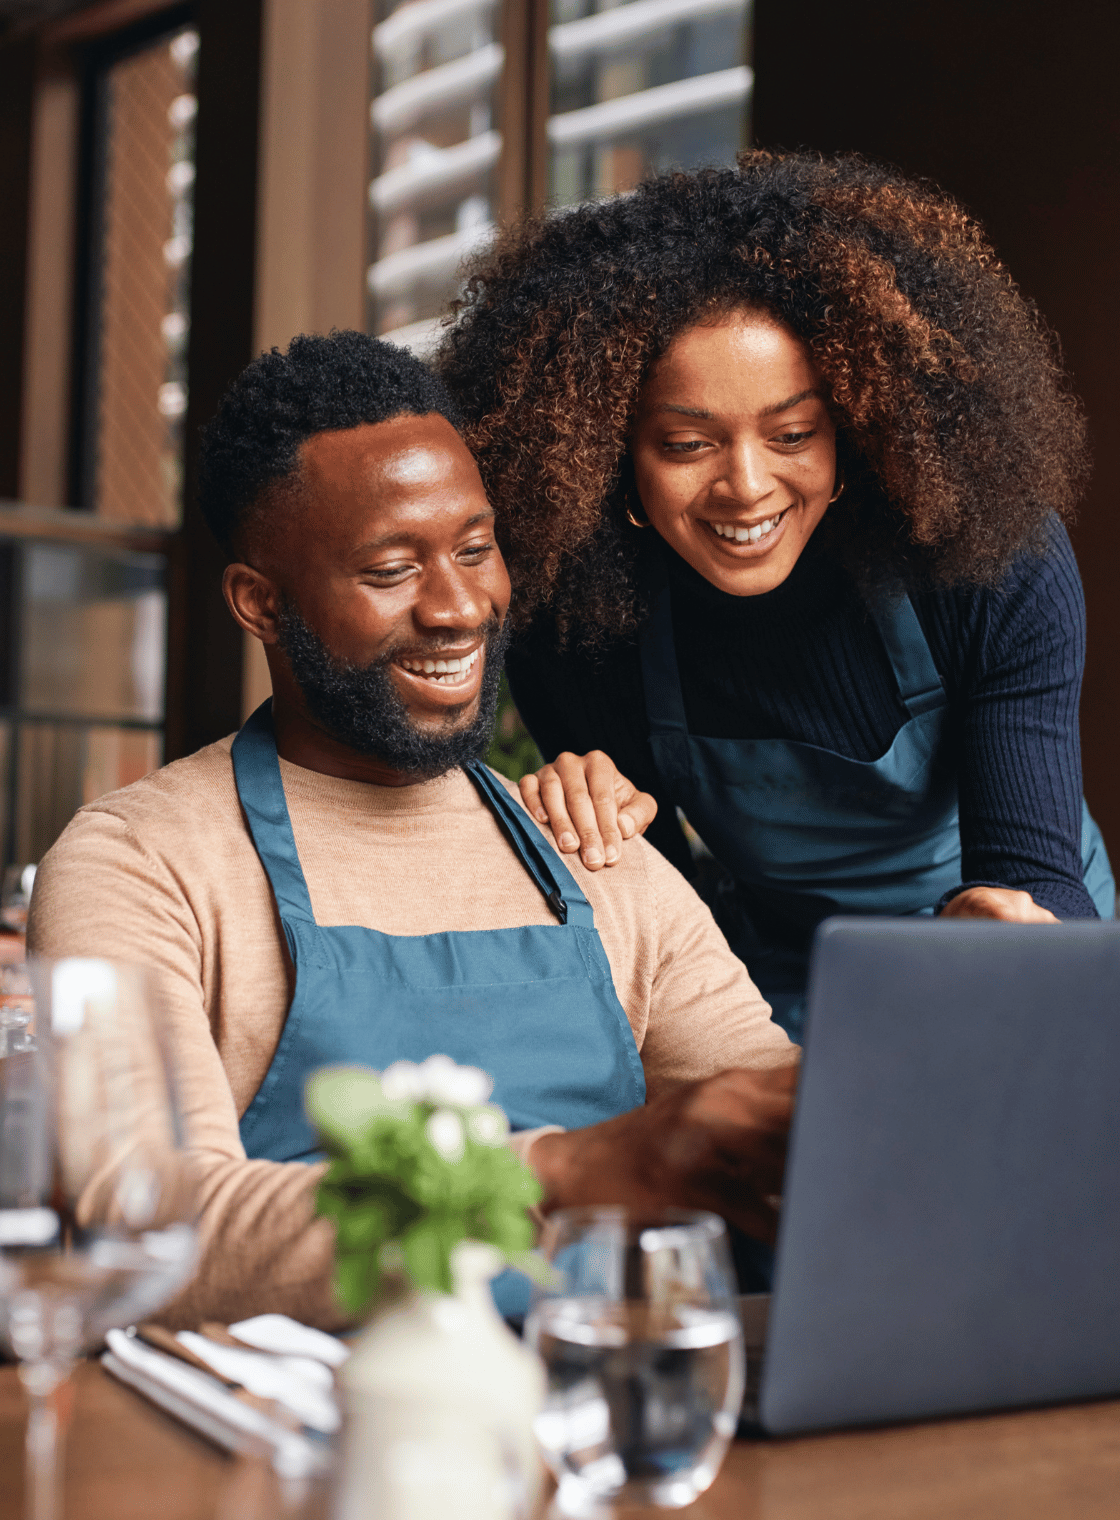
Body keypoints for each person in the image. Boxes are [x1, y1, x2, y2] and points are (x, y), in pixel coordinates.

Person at [29, 331, 795, 1329]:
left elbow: (775, 1128)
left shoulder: (592, 843)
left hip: (609, 1419)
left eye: (475, 549)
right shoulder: (140, 862)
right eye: (392, 568)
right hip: (296, 1462)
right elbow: (148, 1220)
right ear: (260, 603)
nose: (458, 606)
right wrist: (564, 1169)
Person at [436, 150, 1114, 1037]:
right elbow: (665, 924)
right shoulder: (578, 619)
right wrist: (587, 824)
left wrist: (1017, 932)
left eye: (793, 432)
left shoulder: (989, 562)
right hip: (780, 984)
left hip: (1009, 957)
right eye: (686, 445)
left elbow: (1035, 869)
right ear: (609, 458)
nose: (747, 487)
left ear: (854, 429)